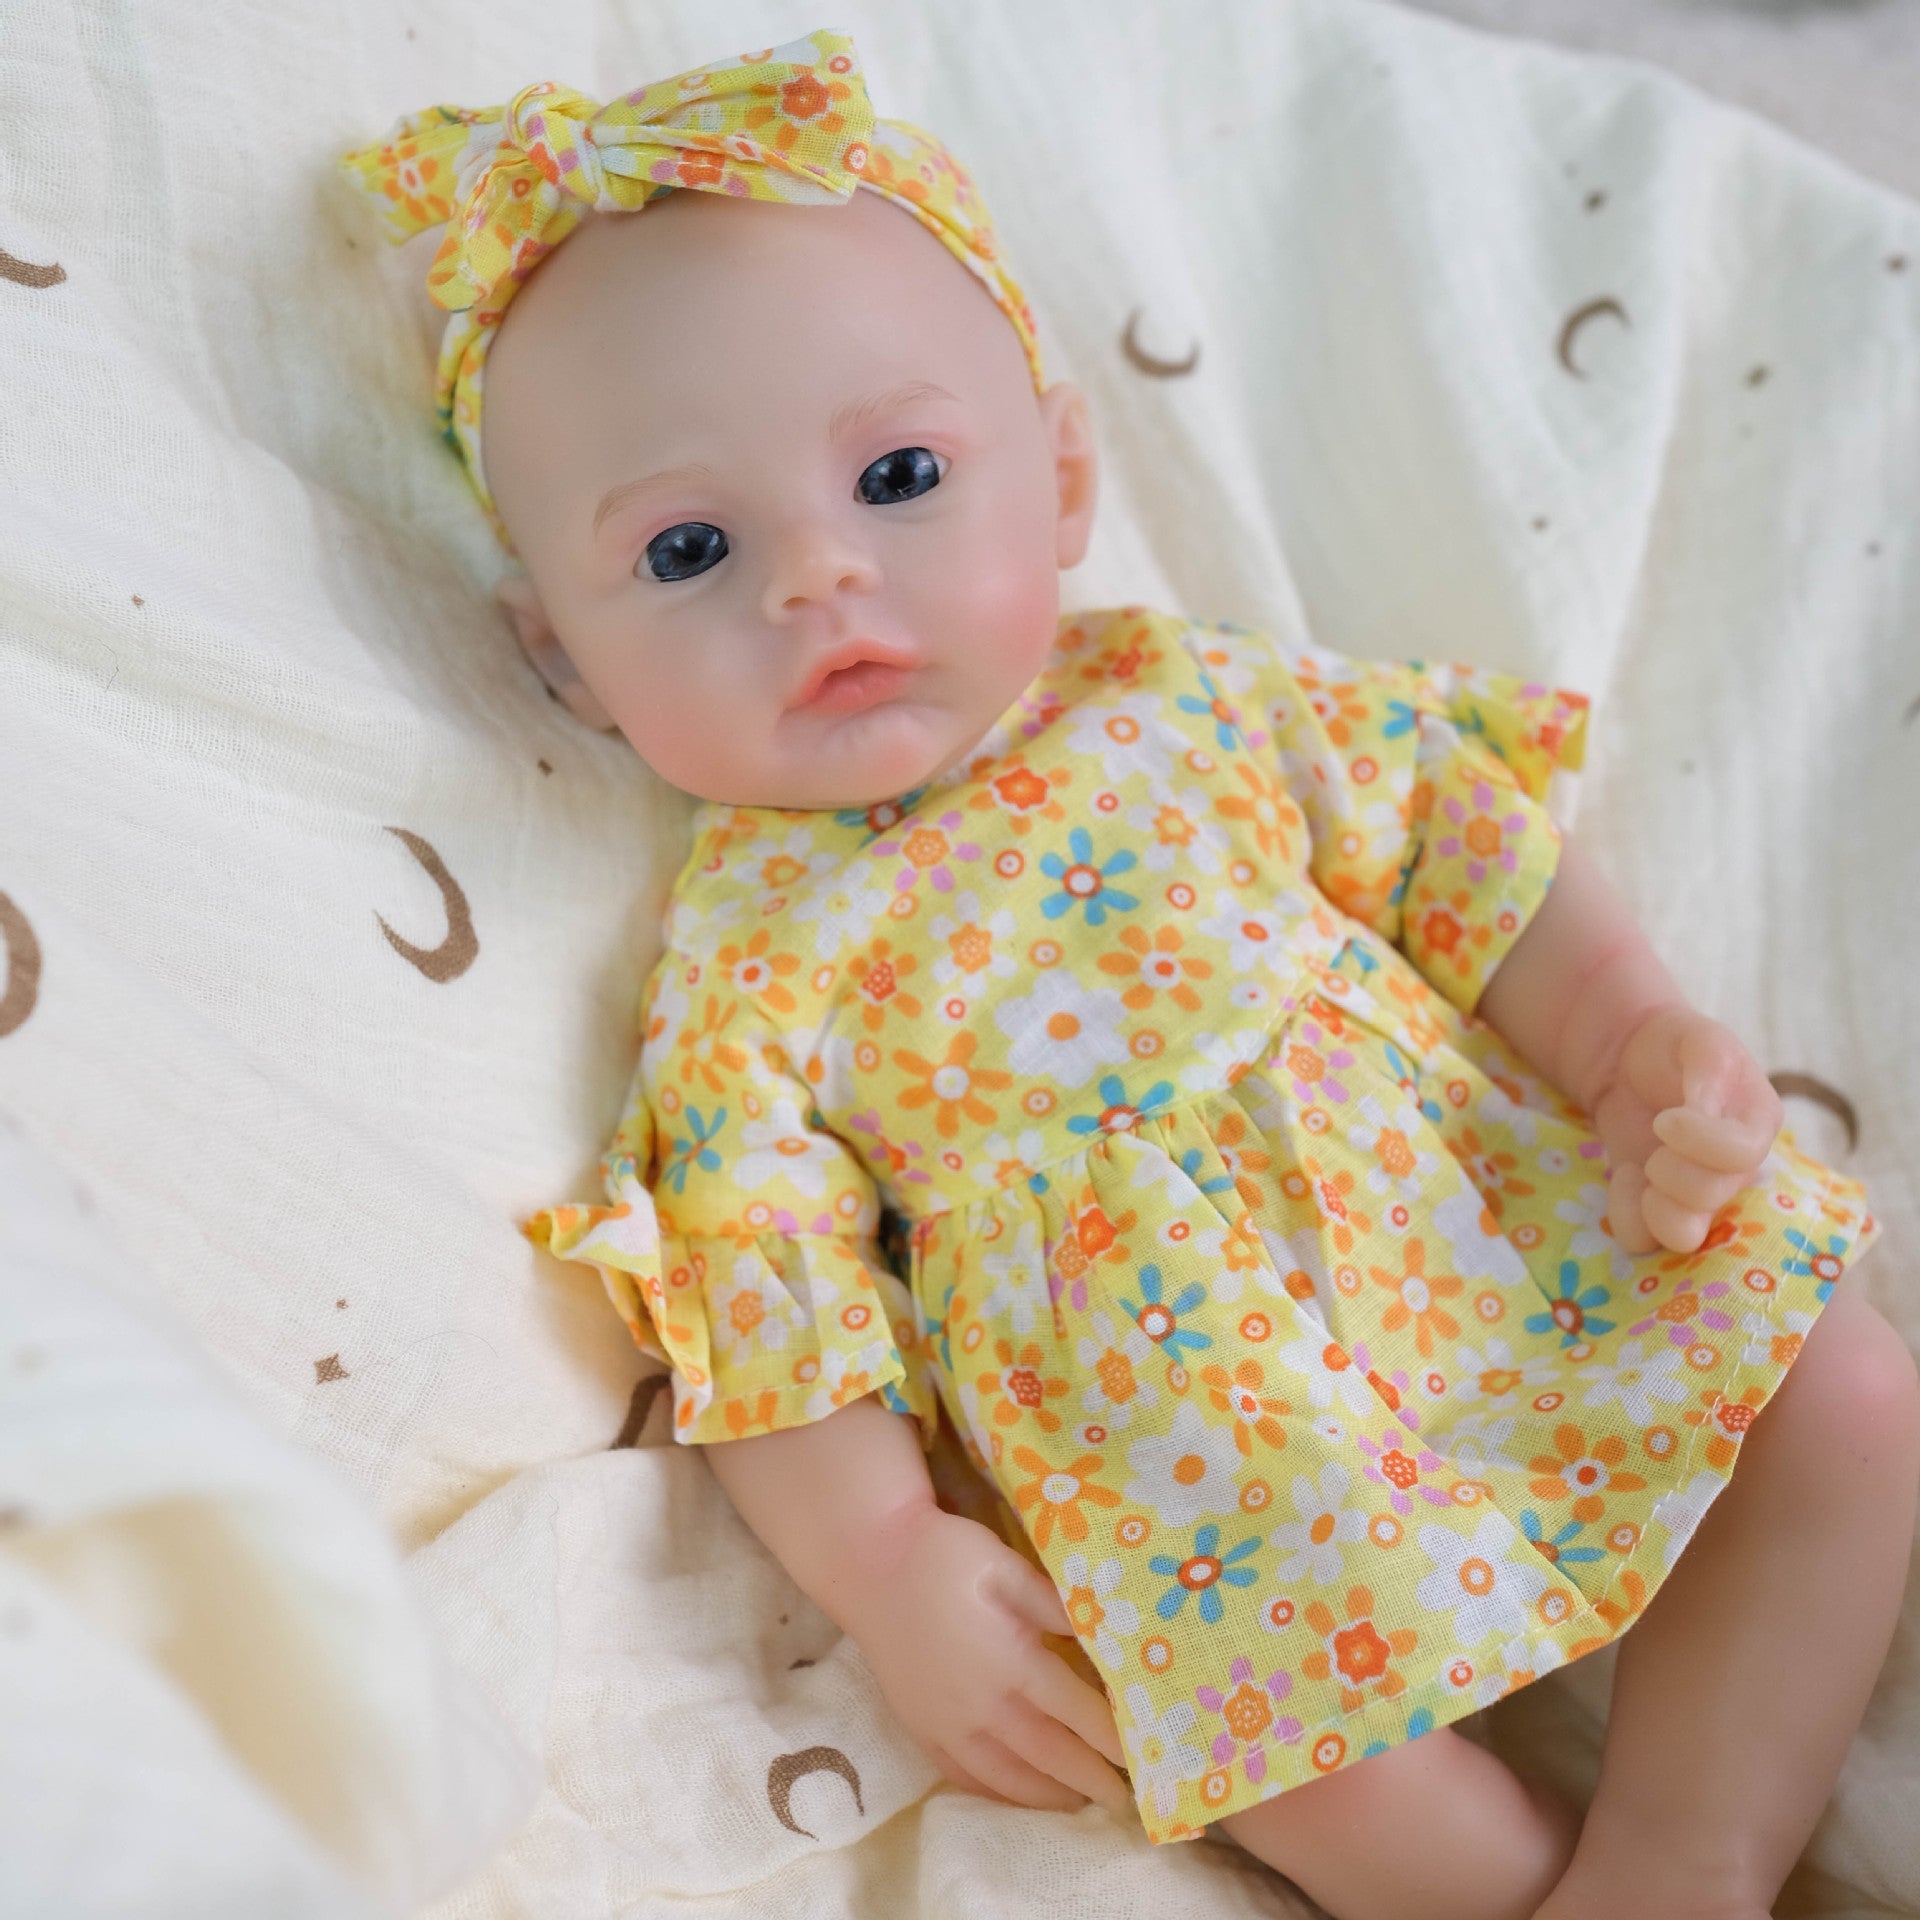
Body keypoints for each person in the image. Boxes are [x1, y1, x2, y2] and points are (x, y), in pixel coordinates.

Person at [341, 31, 1919, 1919]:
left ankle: (1691, 1850)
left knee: (1835, 1386)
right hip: (1199, 1444)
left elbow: (1462, 852)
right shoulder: (746, 954)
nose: (814, 576)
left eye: (899, 474)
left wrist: (1631, 1039)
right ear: (568, 665)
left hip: (1479, 1219)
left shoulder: (1190, 698)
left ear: (1068, 479)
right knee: (1304, 1763)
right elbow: (769, 1292)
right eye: (688, 549)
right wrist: (886, 1565)